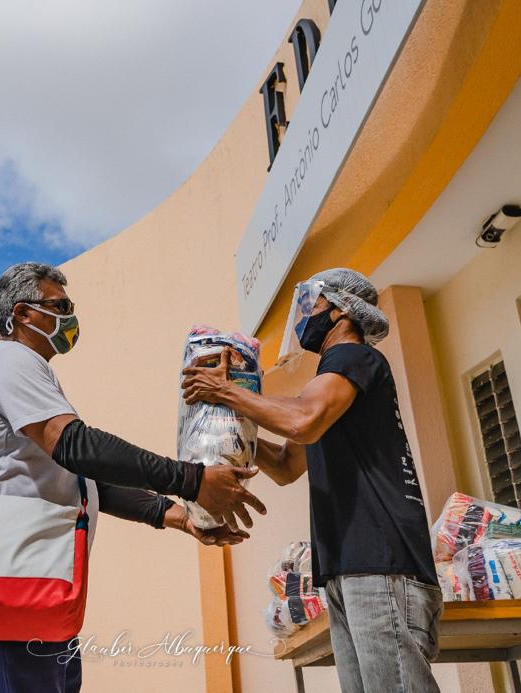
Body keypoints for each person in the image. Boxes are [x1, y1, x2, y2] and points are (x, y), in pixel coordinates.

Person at [0, 262, 266, 693]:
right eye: (59, 305)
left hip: (37, 583)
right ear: (23, 314)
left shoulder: (32, 374)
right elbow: (77, 447)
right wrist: (193, 480)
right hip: (4, 583)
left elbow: (83, 480)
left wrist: (179, 517)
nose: (69, 316)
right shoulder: (9, 360)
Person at [182, 268, 442, 693]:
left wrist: (228, 392)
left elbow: (301, 420)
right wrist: (228, 422)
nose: (304, 315)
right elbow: (286, 465)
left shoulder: (354, 358)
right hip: (347, 567)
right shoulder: (329, 385)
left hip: (380, 561)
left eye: (312, 303)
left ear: (340, 310)